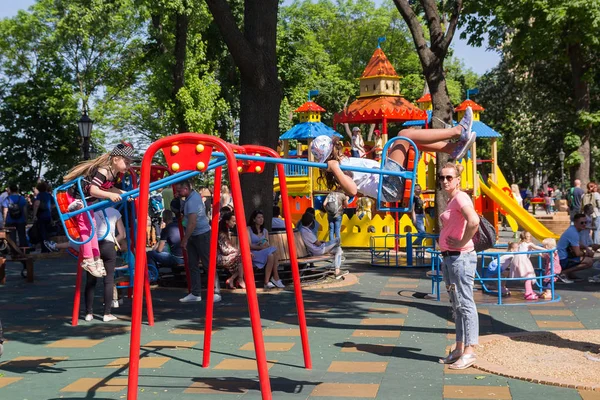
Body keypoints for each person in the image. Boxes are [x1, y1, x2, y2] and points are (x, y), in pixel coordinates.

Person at [311, 107, 476, 203]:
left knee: (412, 139)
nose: (339, 146)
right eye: (335, 146)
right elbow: (353, 190)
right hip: (387, 186)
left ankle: (452, 148)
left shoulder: (344, 162)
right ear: (331, 153)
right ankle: (457, 131)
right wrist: (335, 169)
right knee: (404, 134)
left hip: (387, 181)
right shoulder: (339, 168)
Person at [63, 143, 136, 278]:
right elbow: (94, 190)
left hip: (86, 200)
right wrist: (111, 195)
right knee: (85, 226)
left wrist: (125, 194)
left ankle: (96, 258)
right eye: (126, 162)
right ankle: (88, 260)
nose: (128, 166)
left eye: (130, 163)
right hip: (75, 197)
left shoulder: (113, 174)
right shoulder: (104, 171)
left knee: (93, 226)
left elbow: (109, 188)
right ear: (115, 159)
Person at [436, 162, 480, 370]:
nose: (445, 181)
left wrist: (462, 243)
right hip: (450, 258)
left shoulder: (461, 197)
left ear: (458, 180)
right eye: (442, 177)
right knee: (457, 305)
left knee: (465, 303)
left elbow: (474, 220)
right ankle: (459, 347)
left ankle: (470, 350)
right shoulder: (452, 200)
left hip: (460, 258)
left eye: (449, 177)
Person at [178, 180, 221, 303]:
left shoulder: (192, 201)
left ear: (186, 188)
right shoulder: (191, 196)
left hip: (201, 234)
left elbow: (192, 222)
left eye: (179, 190)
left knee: (208, 263)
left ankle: (216, 291)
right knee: (193, 264)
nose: (178, 192)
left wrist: (185, 239)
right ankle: (196, 293)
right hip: (194, 234)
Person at [84, 206, 126, 322]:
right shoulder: (115, 212)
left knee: (91, 280)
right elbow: (122, 234)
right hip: (108, 244)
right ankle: (107, 313)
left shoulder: (92, 209)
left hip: (93, 245)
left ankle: (89, 313)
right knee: (108, 280)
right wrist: (114, 241)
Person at [299, 212, 347, 279]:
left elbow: (315, 242)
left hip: (314, 249)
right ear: (310, 223)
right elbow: (318, 244)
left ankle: (337, 271)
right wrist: (324, 243)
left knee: (339, 250)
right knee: (337, 240)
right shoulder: (307, 232)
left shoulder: (302, 230)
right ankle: (337, 268)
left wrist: (322, 242)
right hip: (319, 250)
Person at [247, 209, 284, 289]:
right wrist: (260, 246)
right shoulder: (248, 229)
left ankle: (266, 282)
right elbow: (249, 245)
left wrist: (264, 245)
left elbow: (267, 244)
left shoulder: (265, 231)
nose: (261, 219)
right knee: (274, 250)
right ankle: (275, 277)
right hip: (253, 253)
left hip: (264, 252)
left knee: (271, 255)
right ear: (254, 219)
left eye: (262, 217)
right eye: (258, 217)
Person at [557, 213, 595, 282]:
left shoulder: (573, 229)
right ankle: (563, 273)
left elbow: (578, 243)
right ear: (575, 222)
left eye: (585, 222)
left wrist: (586, 248)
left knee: (577, 255)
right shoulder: (573, 233)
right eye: (582, 223)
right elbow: (577, 253)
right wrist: (587, 253)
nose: (584, 224)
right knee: (589, 261)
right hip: (562, 260)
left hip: (562, 257)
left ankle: (570, 274)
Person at [510, 231, 544, 300]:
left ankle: (530, 291)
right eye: (527, 237)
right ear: (524, 238)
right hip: (523, 260)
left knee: (528, 276)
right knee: (528, 276)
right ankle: (528, 293)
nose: (529, 238)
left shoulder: (520, 244)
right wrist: (547, 249)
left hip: (517, 259)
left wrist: (541, 254)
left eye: (529, 236)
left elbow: (533, 250)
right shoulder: (529, 244)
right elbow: (536, 247)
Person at [217, 211, 245, 289]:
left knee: (246, 257)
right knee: (244, 257)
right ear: (227, 221)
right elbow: (225, 250)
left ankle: (232, 279)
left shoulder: (227, 231)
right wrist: (238, 251)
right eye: (233, 221)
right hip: (219, 257)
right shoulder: (222, 233)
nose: (235, 223)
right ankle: (240, 279)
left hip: (225, 255)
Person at [32, 182, 53, 252]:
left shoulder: (39, 195)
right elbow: (54, 204)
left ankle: (44, 248)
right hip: (48, 215)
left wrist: (34, 215)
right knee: (47, 232)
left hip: (41, 215)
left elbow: (37, 204)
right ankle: (49, 246)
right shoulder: (49, 195)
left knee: (42, 232)